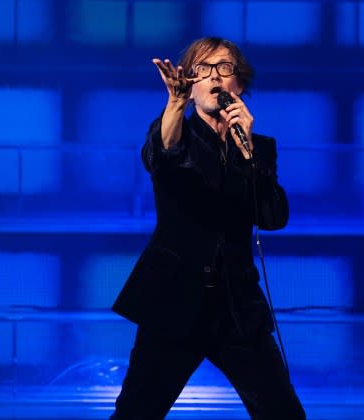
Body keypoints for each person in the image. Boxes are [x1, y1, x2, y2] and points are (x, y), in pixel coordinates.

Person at [109, 36, 305, 420]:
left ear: (240, 85)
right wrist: (174, 104)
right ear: (190, 84)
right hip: (173, 301)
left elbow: (273, 217)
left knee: (282, 413)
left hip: (236, 307)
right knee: (136, 412)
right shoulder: (174, 132)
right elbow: (162, 155)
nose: (215, 76)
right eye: (204, 69)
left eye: (225, 68)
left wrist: (248, 151)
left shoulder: (259, 147)